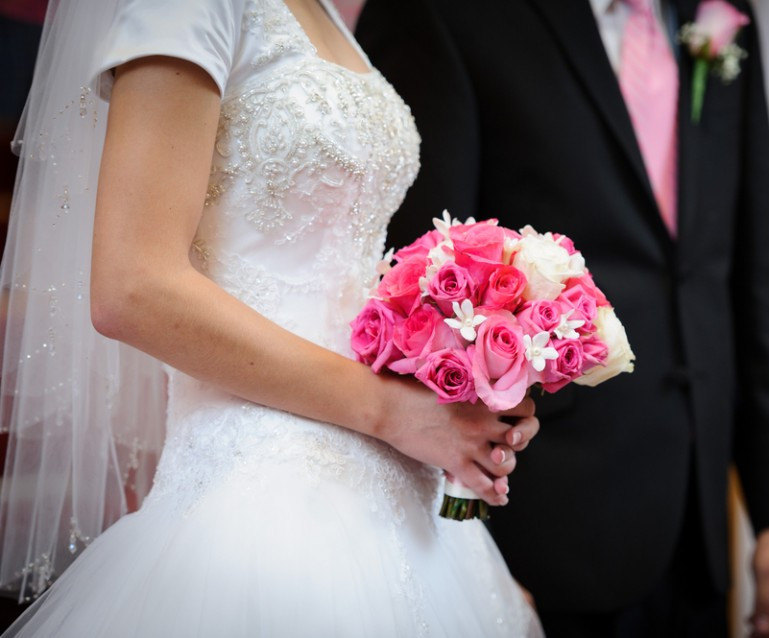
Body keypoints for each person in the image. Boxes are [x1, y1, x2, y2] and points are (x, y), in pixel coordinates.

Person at [0, 0, 543, 635]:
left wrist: (455, 373)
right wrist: (393, 410)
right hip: (266, 491)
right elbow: (133, 287)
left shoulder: (324, 15)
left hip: (399, 485)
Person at [355, 0, 769, 636]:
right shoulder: (449, 14)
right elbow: (420, 286)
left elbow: (755, 267)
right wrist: (463, 548)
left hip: (698, 516)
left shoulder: (721, 14)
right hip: (543, 521)